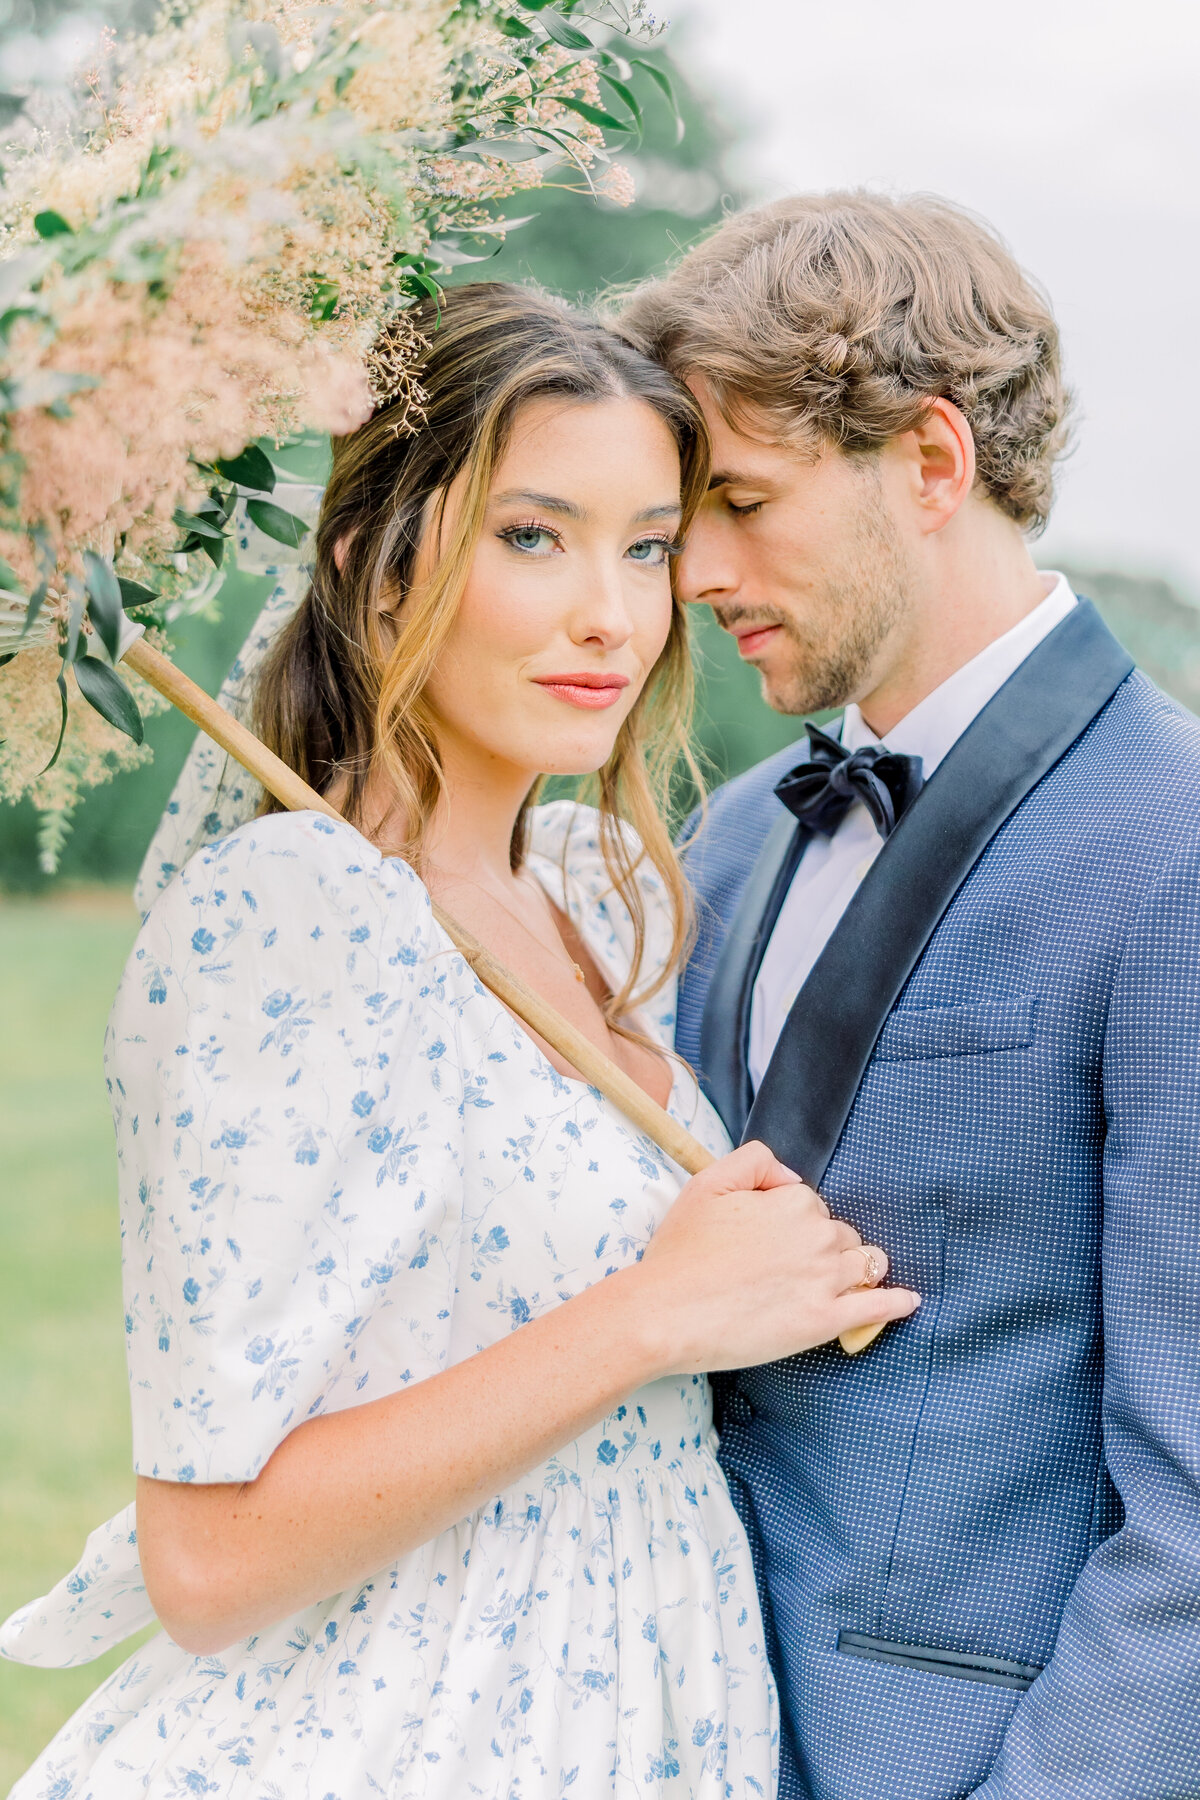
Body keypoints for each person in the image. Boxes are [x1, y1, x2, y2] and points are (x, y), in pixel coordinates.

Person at [0, 283, 917, 1799]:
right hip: (408, 1731)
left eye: (644, 546)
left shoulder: (586, 892)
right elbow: (210, 1558)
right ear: (373, 564)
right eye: (532, 537)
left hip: (636, 1712)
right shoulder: (295, 919)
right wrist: (651, 1317)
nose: (610, 618)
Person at [621, 191, 1200, 1800]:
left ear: (932, 463)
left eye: (742, 499)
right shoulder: (731, 836)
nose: (697, 574)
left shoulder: (1180, 852)